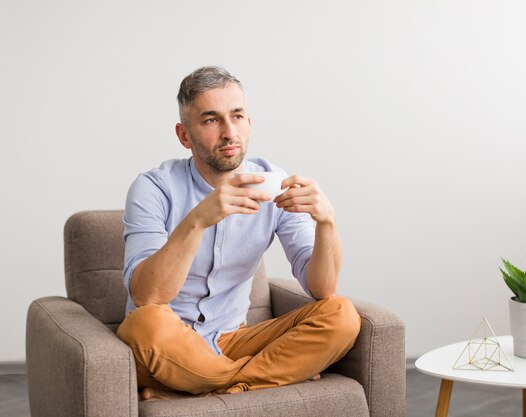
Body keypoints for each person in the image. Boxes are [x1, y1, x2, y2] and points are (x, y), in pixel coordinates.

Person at [116, 66, 361, 400]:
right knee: (147, 323)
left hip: (233, 339)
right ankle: (260, 377)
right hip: (170, 343)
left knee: (342, 315)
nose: (229, 132)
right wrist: (198, 220)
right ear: (184, 135)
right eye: (211, 120)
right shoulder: (153, 188)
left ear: (249, 123)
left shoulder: (273, 183)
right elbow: (148, 298)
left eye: (237, 116)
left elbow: (323, 289)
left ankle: (210, 386)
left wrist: (327, 223)